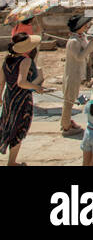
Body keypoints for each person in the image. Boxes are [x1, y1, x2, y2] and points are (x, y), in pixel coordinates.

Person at [1, 33, 45, 166]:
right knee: (19, 128)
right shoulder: (25, 61)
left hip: (9, 97)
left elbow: (1, 81)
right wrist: (36, 87)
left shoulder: (7, 60)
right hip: (21, 99)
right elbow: (21, 82)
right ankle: (12, 162)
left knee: (7, 126)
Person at [61, 15, 93, 135]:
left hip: (78, 72)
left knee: (71, 99)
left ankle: (66, 123)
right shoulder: (73, 41)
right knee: (68, 101)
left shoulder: (81, 37)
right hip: (72, 74)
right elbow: (79, 56)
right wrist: (91, 46)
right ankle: (66, 126)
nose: (86, 26)